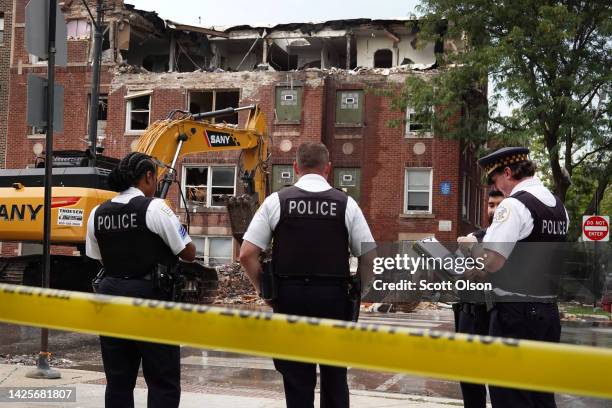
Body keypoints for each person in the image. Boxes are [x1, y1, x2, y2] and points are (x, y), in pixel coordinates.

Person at [239, 142, 374, 408]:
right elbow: (369, 255)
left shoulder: (276, 202)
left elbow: (246, 254)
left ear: (295, 168)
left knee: (297, 381)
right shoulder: (346, 204)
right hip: (334, 301)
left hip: (289, 300)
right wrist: (360, 291)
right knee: (335, 378)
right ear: (329, 169)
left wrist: (265, 291)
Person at [458, 147, 568, 408]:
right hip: (548, 312)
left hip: (515, 314)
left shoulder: (515, 205)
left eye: (496, 181)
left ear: (508, 172)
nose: (498, 188)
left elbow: (493, 261)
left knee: (510, 396)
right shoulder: (558, 208)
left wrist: (470, 246)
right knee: (541, 395)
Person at [85, 152, 196, 408]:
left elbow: (99, 258)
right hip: (151, 299)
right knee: (162, 380)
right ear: (147, 176)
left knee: (118, 381)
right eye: (154, 179)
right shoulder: (155, 207)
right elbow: (188, 253)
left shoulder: (97, 213)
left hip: (110, 298)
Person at [454, 189, 504, 408]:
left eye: (498, 205)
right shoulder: (475, 237)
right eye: (490, 205)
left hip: (495, 315)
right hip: (469, 315)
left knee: (498, 381)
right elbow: (456, 272)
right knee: (469, 380)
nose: (493, 210)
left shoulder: (510, 239)